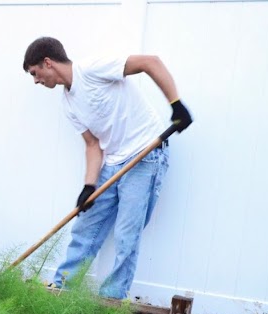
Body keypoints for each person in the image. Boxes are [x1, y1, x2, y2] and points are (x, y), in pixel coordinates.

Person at [23, 36, 192, 299]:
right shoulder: (68, 103)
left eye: (35, 73)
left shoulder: (92, 69)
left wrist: (176, 103)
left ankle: (110, 301)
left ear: (47, 63)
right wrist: (89, 185)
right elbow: (93, 145)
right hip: (111, 164)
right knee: (85, 227)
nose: (36, 80)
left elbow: (150, 62)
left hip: (144, 157)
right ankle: (63, 287)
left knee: (127, 235)